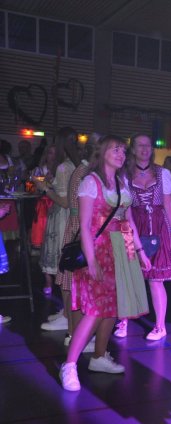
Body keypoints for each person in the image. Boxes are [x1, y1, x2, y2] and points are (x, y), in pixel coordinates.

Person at [59, 135, 151, 392]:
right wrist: (91, 261)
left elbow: (129, 221)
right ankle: (69, 365)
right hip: (99, 250)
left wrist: (140, 252)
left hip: (123, 249)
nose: (121, 154)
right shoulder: (91, 182)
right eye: (115, 149)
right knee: (95, 310)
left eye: (123, 150)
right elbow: (85, 226)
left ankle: (99, 356)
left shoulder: (122, 182)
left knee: (113, 307)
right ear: (102, 153)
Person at [115, 134, 171, 340]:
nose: (145, 149)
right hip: (132, 224)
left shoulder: (163, 173)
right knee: (129, 276)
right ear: (133, 149)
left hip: (158, 225)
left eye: (148, 145)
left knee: (156, 279)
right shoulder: (124, 174)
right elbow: (125, 209)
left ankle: (160, 326)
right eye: (140, 145)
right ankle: (124, 320)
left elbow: (168, 203)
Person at [48, 137, 96, 346]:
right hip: (79, 229)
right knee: (74, 283)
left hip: (76, 227)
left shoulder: (81, 170)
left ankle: (71, 328)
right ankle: (72, 330)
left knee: (70, 282)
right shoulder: (84, 173)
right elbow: (75, 206)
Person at [36, 127, 80, 298]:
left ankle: (66, 308)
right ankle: (68, 307)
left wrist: (44, 188)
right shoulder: (75, 163)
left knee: (63, 264)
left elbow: (64, 202)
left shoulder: (63, 167)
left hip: (63, 217)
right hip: (71, 216)